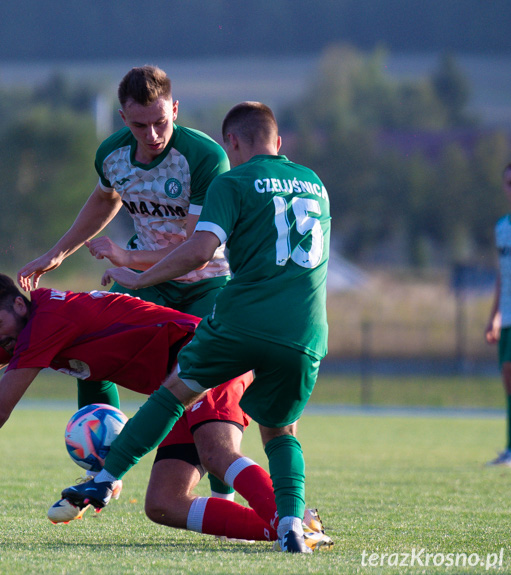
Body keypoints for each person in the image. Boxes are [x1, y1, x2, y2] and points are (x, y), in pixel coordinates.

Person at [0, 272, 331, 547]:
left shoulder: (47, 321)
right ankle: (286, 528)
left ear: (20, 305)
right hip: (171, 388)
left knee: (217, 453)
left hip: (203, 356)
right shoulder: (26, 330)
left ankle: (291, 521)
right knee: (163, 506)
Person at [61, 102, 331, 554]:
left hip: (241, 319)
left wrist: (137, 276)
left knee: (174, 392)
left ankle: (105, 480)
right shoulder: (315, 184)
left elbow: (199, 251)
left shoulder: (232, 180)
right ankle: (290, 523)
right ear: (279, 143)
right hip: (305, 331)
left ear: (233, 143)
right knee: (281, 432)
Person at [17, 64, 234, 498]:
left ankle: (221, 483)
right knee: (89, 348)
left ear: (175, 108)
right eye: (140, 125)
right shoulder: (112, 155)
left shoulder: (206, 158)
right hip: (145, 280)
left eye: (161, 122)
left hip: (205, 280)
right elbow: (103, 199)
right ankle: (103, 470)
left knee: (199, 373)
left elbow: (195, 244)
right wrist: (56, 253)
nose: (152, 134)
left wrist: (127, 257)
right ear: (123, 118)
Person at [484, 162, 511, 467]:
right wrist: (495, 316)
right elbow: (503, 275)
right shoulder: (502, 227)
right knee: (508, 379)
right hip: (508, 315)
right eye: (507, 183)